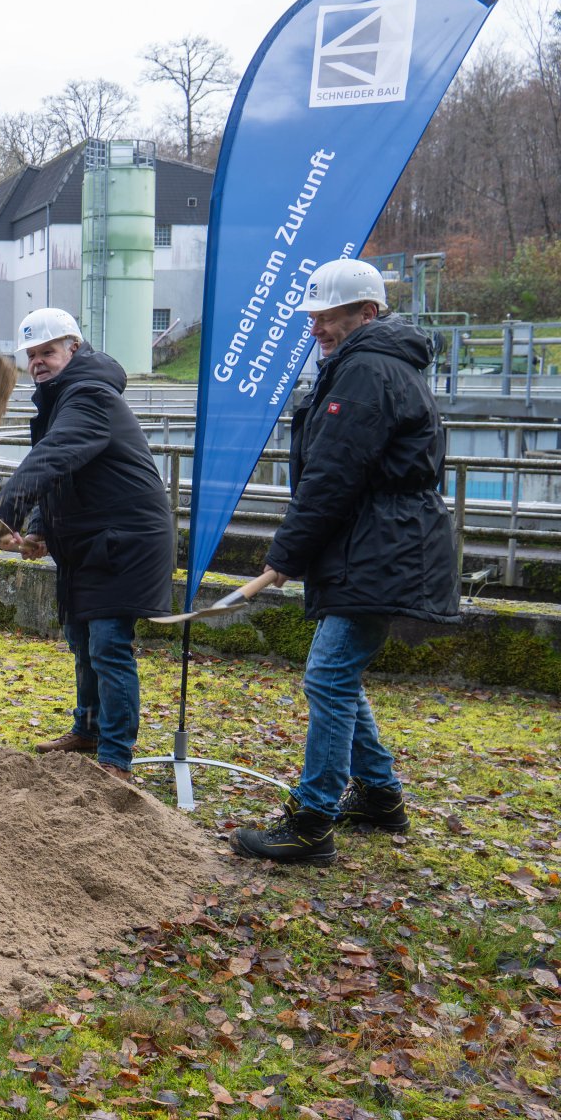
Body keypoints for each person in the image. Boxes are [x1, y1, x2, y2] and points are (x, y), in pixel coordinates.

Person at [231, 259, 458, 864]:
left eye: (329, 317)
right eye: (314, 318)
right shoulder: (372, 366)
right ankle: (381, 797)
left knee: (328, 677)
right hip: (378, 545)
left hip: (383, 549)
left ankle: (311, 822)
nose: (318, 329)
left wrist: (283, 557)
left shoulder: (365, 372)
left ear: (367, 313)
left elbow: (332, 476)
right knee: (340, 677)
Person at [0, 308, 173, 781]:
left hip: (124, 540)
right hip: (90, 540)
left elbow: (52, 457)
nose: (38, 362)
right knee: (82, 640)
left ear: (73, 347)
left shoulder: (88, 395)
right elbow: (63, 474)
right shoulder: (62, 397)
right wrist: (36, 527)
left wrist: (3, 512)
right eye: (31, 355)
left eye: (47, 352)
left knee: (109, 644)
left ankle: (115, 757)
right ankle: (88, 730)